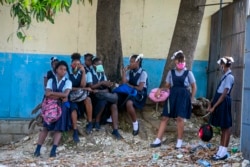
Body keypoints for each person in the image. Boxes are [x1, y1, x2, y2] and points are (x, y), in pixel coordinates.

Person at [150, 50, 197, 148]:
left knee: (180, 118)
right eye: (178, 61)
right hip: (172, 96)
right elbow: (167, 86)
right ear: (175, 61)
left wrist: (191, 99)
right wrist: (160, 90)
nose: (180, 63)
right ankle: (158, 139)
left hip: (183, 96)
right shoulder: (171, 73)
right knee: (165, 117)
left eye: (182, 61)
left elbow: (194, 87)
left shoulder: (188, 73)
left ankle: (179, 141)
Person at [34, 61, 72, 157]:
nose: (63, 71)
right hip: (50, 108)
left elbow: (66, 94)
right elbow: (47, 94)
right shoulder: (51, 80)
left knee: (58, 129)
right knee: (46, 128)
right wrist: (60, 96)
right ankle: (37, 150)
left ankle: (53, 151)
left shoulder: (68, 82)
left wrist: (53, 94)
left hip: (62, 108)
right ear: (56, 70)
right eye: (61, 69)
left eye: (65, 69)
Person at [88, 57, 122, 139]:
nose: (100, 66)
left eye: (101, 64)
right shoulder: (89, 74)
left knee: (114, 105)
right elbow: (91, 87)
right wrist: (102, 83)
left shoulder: (102, 74)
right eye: (99, 64)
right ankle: (97, 121)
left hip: (102, 93)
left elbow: (107, 89)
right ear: (94, 65)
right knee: (104, 101)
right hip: (94, 96)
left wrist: (101, 90)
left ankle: (115, 130)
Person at [208, 56, 234, 161]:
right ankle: (220, 150)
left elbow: (224, 94)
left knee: (226, 127)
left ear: (224, 65)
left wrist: (215, 106)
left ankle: (224, 151)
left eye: (221, 65)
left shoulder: (229, 77)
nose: (220, 67)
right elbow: (218, 91)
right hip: (219, 101)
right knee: (223, 127)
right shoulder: (224, 76)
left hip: (223, 102)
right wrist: (211, 102)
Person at [121, 54, 148, 136]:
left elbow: (140, 88)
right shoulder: (130, 72)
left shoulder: (143, 73)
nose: (130, 64)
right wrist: (124, 72)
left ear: (138, 62)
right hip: (131, 91)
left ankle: (135, 124)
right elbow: (124, 82)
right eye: (130, 62)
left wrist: (130, 85)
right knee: (118, 96)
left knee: (129, 103)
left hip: (140, 94)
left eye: (132, 62)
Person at [68, 53, 93, 142]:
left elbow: (83, 84)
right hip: (72, 97)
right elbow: (69, 88)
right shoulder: (68, 73)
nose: (76, 66)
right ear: (71, 64)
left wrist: (83, 72)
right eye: (74, 64)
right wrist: (83, 88)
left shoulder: (82, 72)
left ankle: (90, 123)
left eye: (78, 64)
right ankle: (75, 131)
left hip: (81, 96)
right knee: (73, 109)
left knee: (88, 99)